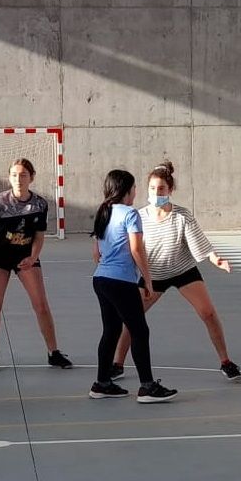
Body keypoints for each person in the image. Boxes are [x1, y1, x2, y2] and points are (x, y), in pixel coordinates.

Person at [110, 160, 240, 381]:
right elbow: (130, 246)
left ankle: (226, 361)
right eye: (152, 188)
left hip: (183, 272)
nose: (156, 192)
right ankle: (117, 364)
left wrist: (216, 259)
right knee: (132, 319)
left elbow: (199, 243)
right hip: (153, 277)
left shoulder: (182, 215)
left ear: (170, 190)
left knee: (208, 314)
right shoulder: (138, 216)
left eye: (161, 188)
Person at [0, 158, 74, 372]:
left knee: (40, 305)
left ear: (31, 177)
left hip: (25, 257)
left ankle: (53, 352)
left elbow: (39, 235)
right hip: (0, 258)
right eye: (14, 175)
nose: (18, 179)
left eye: (23, 175)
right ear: (9, 177)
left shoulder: (40, 204)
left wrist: (33, 256)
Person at [88, 170, 177, 403]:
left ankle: (102, 383)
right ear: (127, 190)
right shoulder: (130, 214)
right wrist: (147, 279)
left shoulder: (103, 212)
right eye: (135, 188)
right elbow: (137, 249)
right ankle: (147, 387)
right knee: (139, 330)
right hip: (121, 281)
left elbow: (96, 253)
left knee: (111, 331)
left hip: (101, 279)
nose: (136, 192)